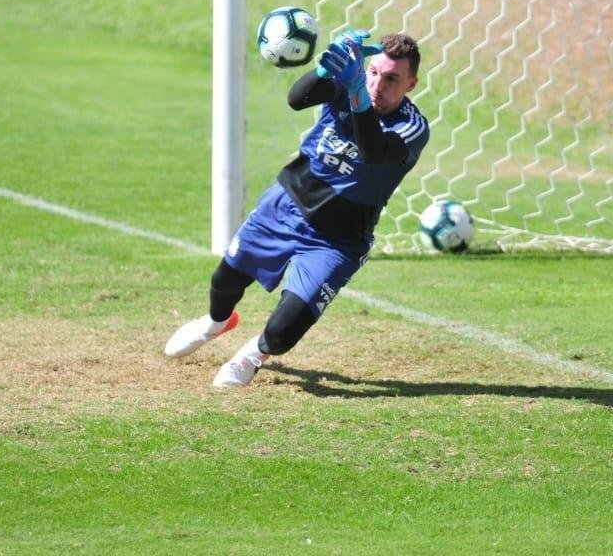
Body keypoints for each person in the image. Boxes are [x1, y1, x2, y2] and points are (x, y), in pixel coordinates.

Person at [164, 32, 430, 387]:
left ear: (411, 83)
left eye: (392, 78)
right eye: (373, 72)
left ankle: (253, 355)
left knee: (283, 331)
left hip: (337, 241)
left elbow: (372, 150)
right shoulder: (349, 84)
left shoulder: (412, 127)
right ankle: (215, 323)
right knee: (224, 281)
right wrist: (323, 70)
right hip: (285, 206)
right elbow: (296, 99)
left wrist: (356, 92)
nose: (377, 84)